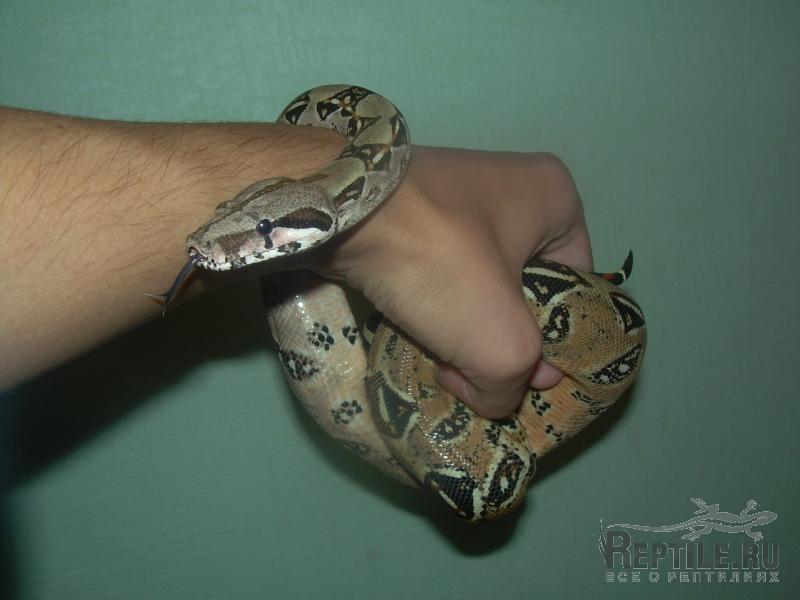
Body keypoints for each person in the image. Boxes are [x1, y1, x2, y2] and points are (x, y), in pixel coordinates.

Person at [0, 106, 593, 418]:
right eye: (234, 219)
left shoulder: (330, 198)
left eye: (259, 231)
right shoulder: (321, 199)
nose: (213, 245)